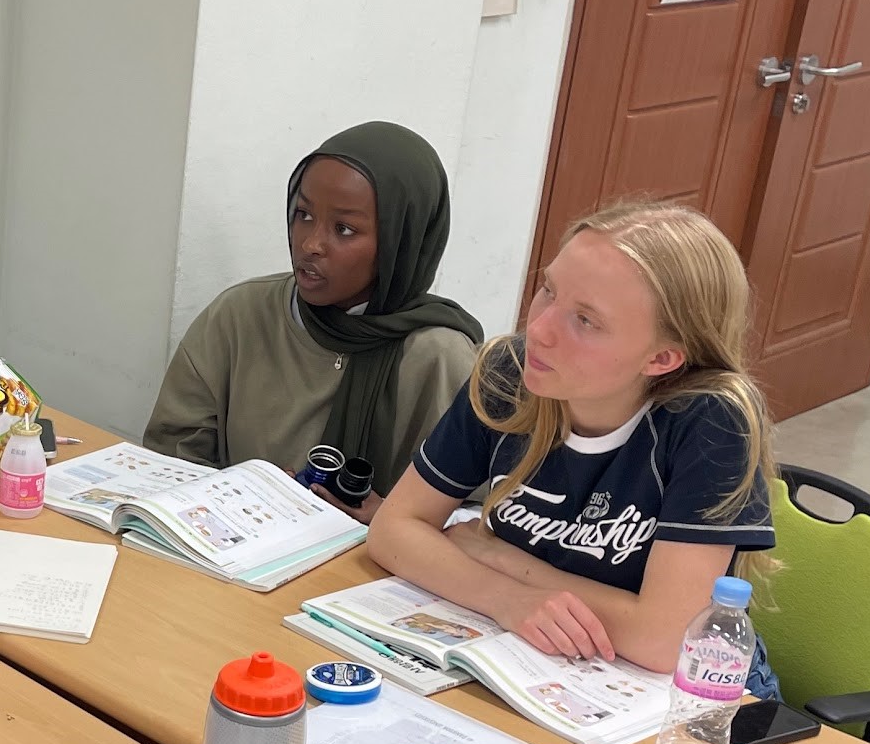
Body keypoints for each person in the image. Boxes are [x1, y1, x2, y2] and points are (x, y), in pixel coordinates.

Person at [364, 199, 781, 688]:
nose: (538, 330)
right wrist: (507, 598)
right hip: (535, 656)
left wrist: (501, 558)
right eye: (548, 290)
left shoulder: (713, 421)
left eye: (585, 320)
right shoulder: (511, 372)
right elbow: (393, 530)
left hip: (696, 694)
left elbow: (665, 639)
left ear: (661, 358)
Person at [144, 121, 484, 512]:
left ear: (402, 241)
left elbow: (478, 519)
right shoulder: (241, 315)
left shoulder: (441, 358)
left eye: (344, 229)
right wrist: (246, 497)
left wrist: (386, 518)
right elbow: (167, 456)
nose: (310, 243)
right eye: (303, 214)